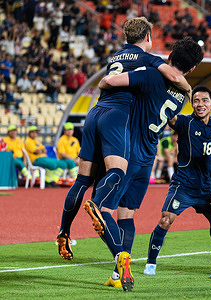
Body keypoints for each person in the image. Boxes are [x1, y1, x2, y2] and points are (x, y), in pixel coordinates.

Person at [56, 17, 191, 291]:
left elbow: (108, 79)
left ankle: (65, 233)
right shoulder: (153, 68)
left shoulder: (120, 55)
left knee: (83, 180)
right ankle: (116, 250)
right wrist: (189, 90)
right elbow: (175, 78)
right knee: (117, 202)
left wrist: (106, 83)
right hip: (135, 141)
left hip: (97, 114)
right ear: (149, 38)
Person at [93, 36, 203, 289]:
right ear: (193, 69)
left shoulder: (151, 74)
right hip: (147, 157)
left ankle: (120, 260)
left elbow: (110, 80)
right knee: (127, 213)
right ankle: (119, 275)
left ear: (170, 55)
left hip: (127, 152)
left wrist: (104, 84)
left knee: (102, 210)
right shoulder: (182, 95)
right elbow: (175, 84)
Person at [144, 86, 211, 276]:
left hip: (206, 188)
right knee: (166, 219)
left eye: (204, 100)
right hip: (183, 185)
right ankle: (151, 263)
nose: (200, 104)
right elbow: (169, 116)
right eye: (197, 100)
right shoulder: (185, 122)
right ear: (192, 104)